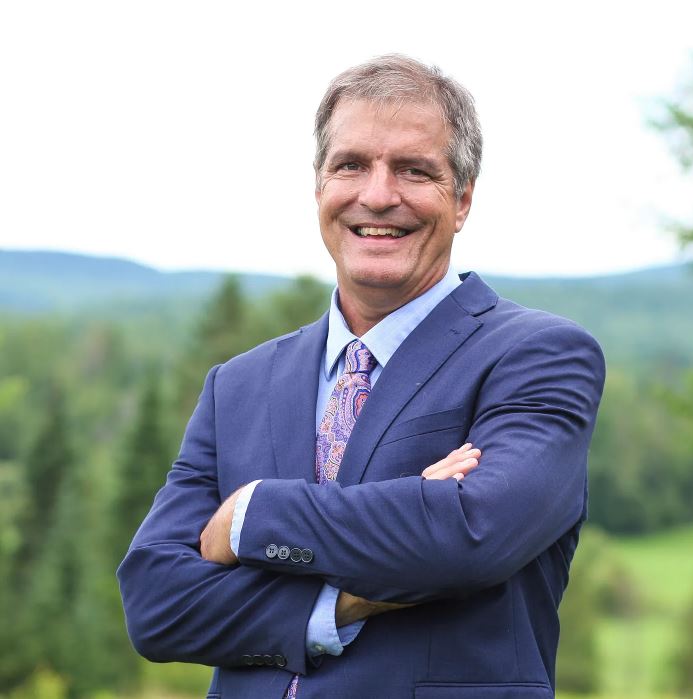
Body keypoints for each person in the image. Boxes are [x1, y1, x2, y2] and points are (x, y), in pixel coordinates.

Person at [118, 54, 606, 699]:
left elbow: (473, 534)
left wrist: (250, 515)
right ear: (319, 186)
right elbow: (156, 604)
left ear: (462, 199)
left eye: (413, 170)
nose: (377, 195)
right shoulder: (237, 385)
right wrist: (344, 601)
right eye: (350, 165)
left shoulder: (539, 357)